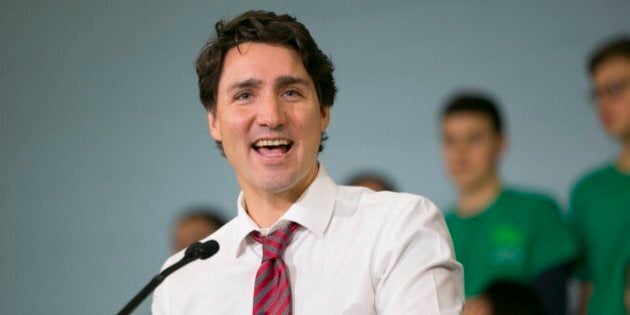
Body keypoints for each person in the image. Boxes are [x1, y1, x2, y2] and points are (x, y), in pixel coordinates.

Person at [152, 10, 463, 314]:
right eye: (245, 95)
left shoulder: (399, 229)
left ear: (324, 111)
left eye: (290, 92)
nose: (271, 117)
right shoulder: (181, 281)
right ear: (215, 121)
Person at [440, 92, 578, 315]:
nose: (460, 152)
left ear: (500, 142)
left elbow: (553, 306)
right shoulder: (435, 228)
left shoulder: (537, 212)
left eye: (474, 138)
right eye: (450, 140)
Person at [569, 35, 630, 315]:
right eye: (597, 93)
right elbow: (588, 289)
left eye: (615, 89)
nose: (603, 104)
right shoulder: (588, 191)